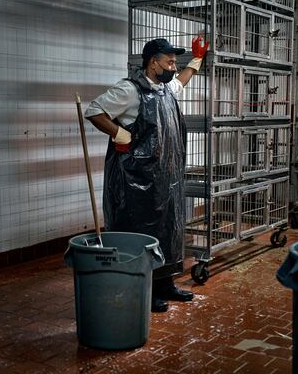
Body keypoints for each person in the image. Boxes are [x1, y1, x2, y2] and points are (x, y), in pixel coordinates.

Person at [84, 37, 209, 312]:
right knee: (143, 234)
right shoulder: (130, 90)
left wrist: (197, 60)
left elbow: (182, 81)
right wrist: (119, 132)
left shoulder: (165, 89)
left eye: (175, 62)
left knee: (167, 232)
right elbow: (94, 110)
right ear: (153, 62)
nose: (174, 67)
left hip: (166, 179)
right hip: (137, 182)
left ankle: (165, 285)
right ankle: (143, 289)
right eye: (170, 61)